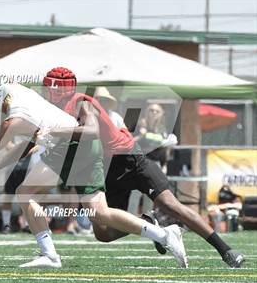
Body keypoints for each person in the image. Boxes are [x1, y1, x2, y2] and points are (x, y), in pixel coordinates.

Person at [0, 82, 188, 269]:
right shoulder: (17, 91)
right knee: (100, 213)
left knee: (25, 194)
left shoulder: (16, 116)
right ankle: (164, 235)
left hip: (69, 148)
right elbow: (23, 144)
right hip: (82, 148)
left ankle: (50, 254)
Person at [41, 67, 244, 268]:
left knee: (172, 206)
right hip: (108, 168)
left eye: (56, 87)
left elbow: (91, 130)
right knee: (102, 232)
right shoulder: (59, 111)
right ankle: (147, 221)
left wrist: (55, 133)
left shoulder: (80, 102)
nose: (52, 92)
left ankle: (225, 250)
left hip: (130, 158)